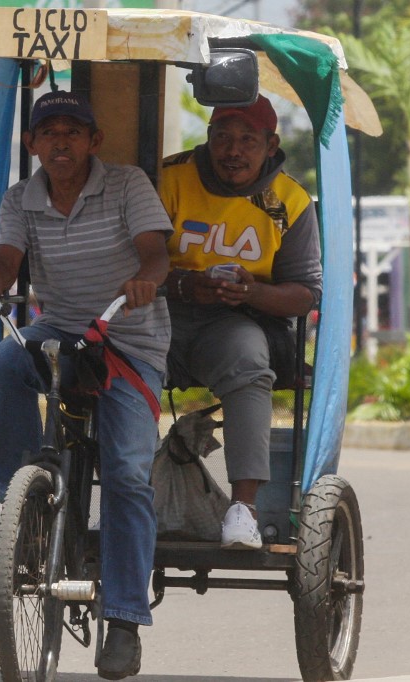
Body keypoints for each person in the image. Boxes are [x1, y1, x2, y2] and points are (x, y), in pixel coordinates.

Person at [0, 90, 172, 680]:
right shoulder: (19, 199)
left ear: (93, 142)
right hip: (59, 328)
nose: (60, 142)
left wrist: (144, 282)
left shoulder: (128, 184)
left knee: (129, 473)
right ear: (31, 144)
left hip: (126, 339)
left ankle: (126, 619)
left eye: (72, 132)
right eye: (47, 132)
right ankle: (19, 503)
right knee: (3, 364)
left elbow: (156, 254)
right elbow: (7, 261)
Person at [157, 94, 322, 550]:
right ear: (207, 139)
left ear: (271, 145)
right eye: (223, 138)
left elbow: (306, 292)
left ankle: (243, 510)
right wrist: (187, 285)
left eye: (247, 141)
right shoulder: (168, 177)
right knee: (122, 362)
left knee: (249, 359)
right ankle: (128, 492)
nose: (233, 151)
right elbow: (130, 260)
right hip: (159, 312)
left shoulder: (290, 200)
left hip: (234, 322)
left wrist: (251, 292)